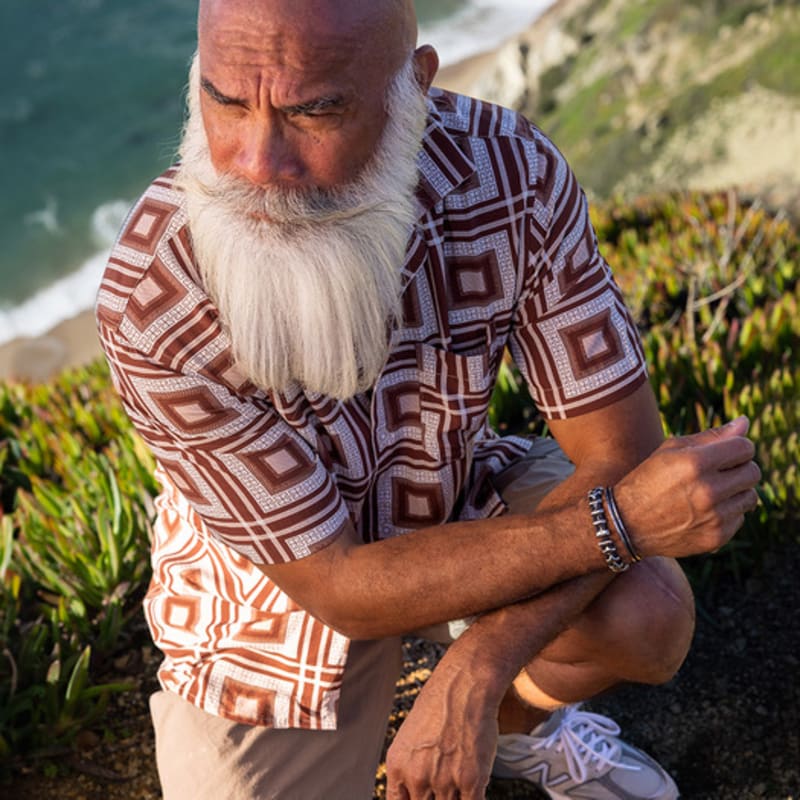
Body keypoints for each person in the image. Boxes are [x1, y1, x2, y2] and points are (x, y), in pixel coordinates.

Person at [95, 1, 760, 798]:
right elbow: (336, 584)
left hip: (449, 488)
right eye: (226, 100)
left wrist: (477, 672)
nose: (256, 163)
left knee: (646, 615)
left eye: (315, 110)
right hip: (272, 577)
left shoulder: (508, 169)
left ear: (414, 85)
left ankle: (517, 729)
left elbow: (619, 452)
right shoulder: (152, 297)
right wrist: (619, 524)